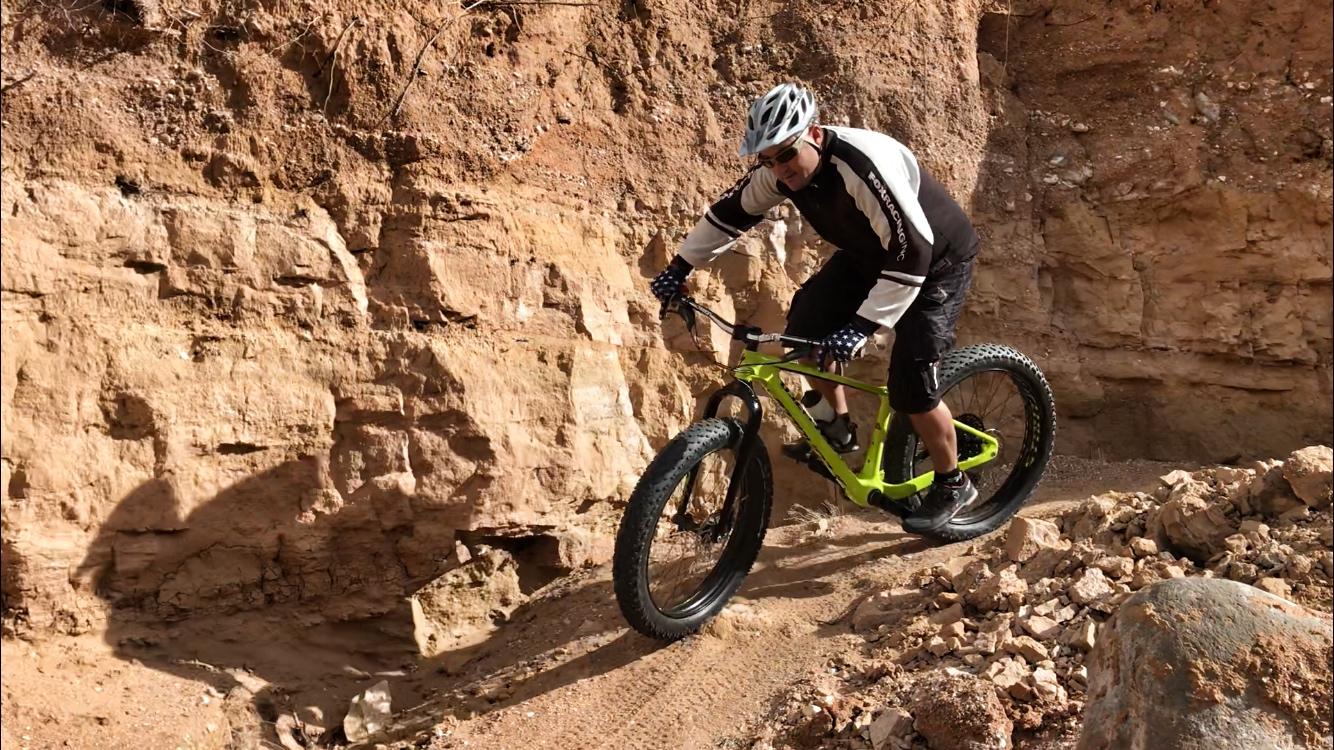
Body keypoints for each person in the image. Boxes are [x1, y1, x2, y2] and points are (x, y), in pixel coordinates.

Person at [649, 82, 981, 535]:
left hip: (935, 259)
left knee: (912, 384)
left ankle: (953, 481)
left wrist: (862, 327)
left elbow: (914, 252)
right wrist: (679, 266)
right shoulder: (779, 170)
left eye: (786, 154)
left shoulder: (863, 166)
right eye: (766, 160)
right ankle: (837, 423)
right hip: (872, 254)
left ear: (815, 135)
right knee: (805, 325)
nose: (779, 169)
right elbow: (729, 214)